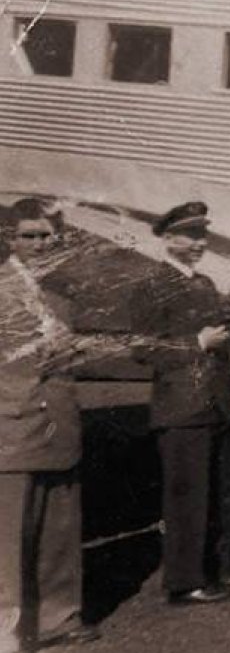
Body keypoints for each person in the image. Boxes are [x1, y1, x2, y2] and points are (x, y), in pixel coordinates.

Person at [132, 201, 230, 607]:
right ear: (167, 239)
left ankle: (215, 571)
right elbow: (142, 348)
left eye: (203, 236)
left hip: (214, 404)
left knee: (217, 492)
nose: (199, 244)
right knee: (187, 497)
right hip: (180, 408)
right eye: (190, 236)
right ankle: (184, 582)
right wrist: (197, 343)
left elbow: (224, 344)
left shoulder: (204, 284)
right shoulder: (152, 284)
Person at [0, 198, 100, 652]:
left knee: (61, 531)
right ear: (10, 239)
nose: (39, 243)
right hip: (13, 426)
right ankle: (11, 630)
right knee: (11, 539)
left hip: (60, 424)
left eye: (46, 235)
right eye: (29, 235)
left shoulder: (64, 292)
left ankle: (60, 618)